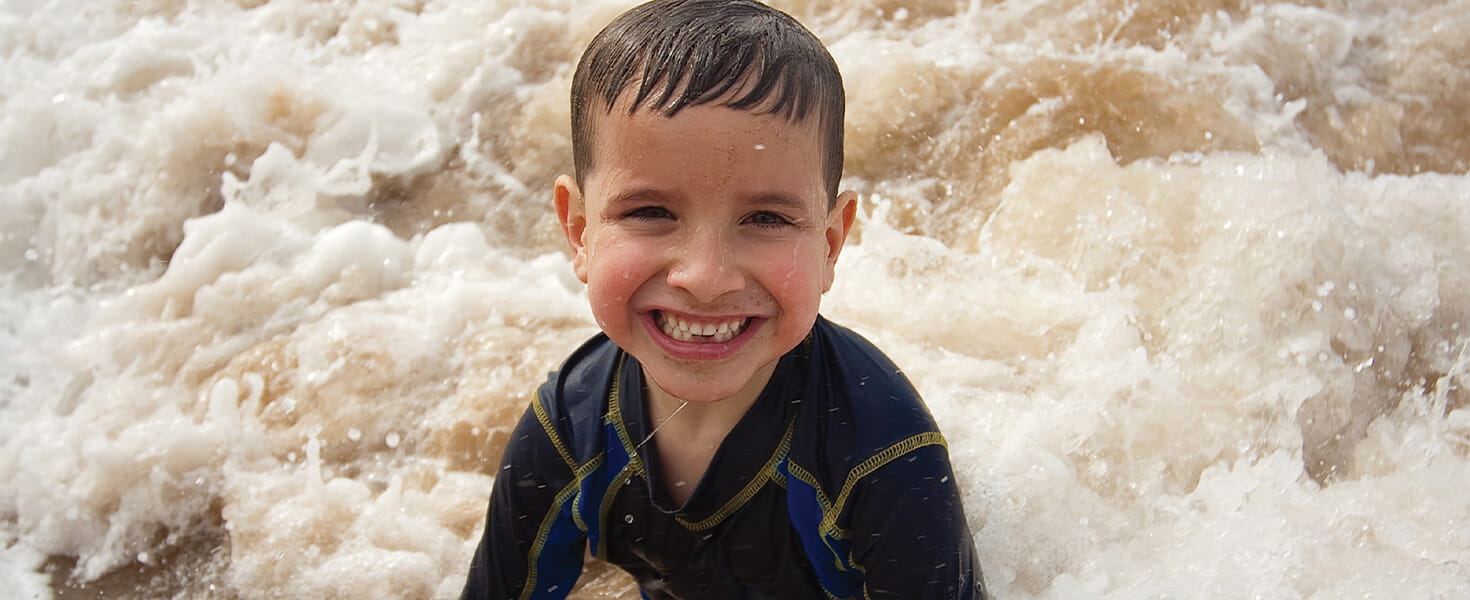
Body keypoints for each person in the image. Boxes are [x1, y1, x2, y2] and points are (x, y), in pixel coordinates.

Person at [459, 1, 986, 598]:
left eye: (765, 217)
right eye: (650, 212)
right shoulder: (566, 428)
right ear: (579, 231)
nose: (705, 277)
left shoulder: (883, 454)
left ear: (830, 245)